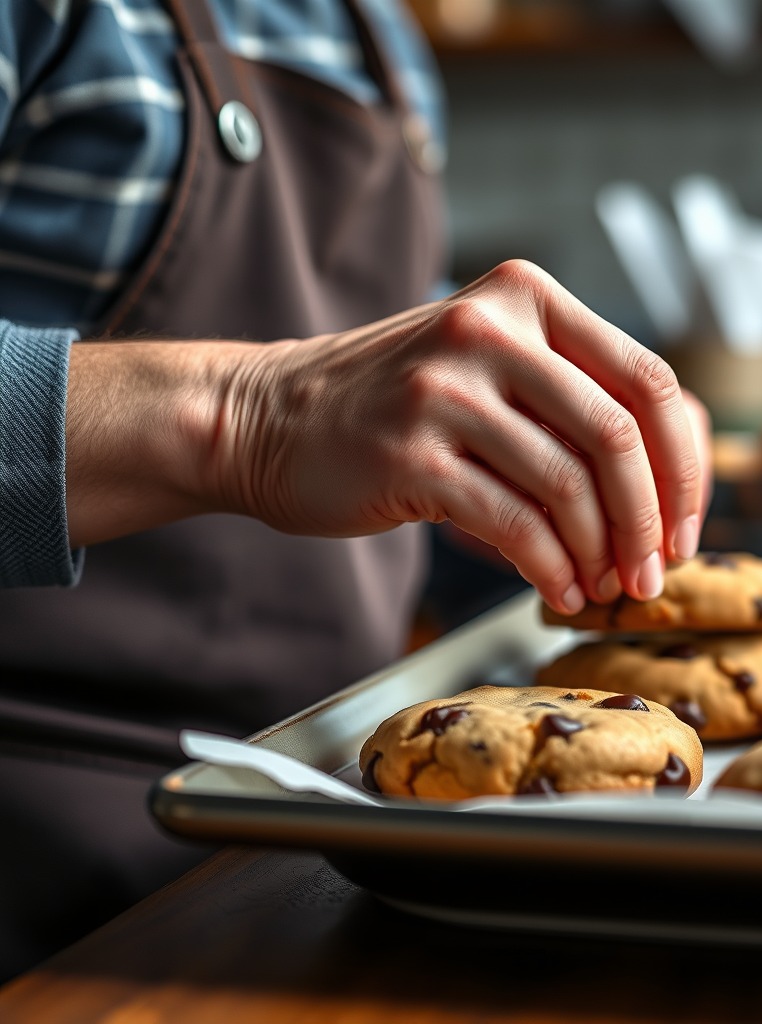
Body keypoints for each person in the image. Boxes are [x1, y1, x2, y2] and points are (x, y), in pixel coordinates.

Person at [0, 0, 711, 980]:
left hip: (347, 847)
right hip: (50, 884)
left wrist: (522, 469)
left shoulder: (378, 37)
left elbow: (379, 409)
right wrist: (245, 414)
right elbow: (305, 398)